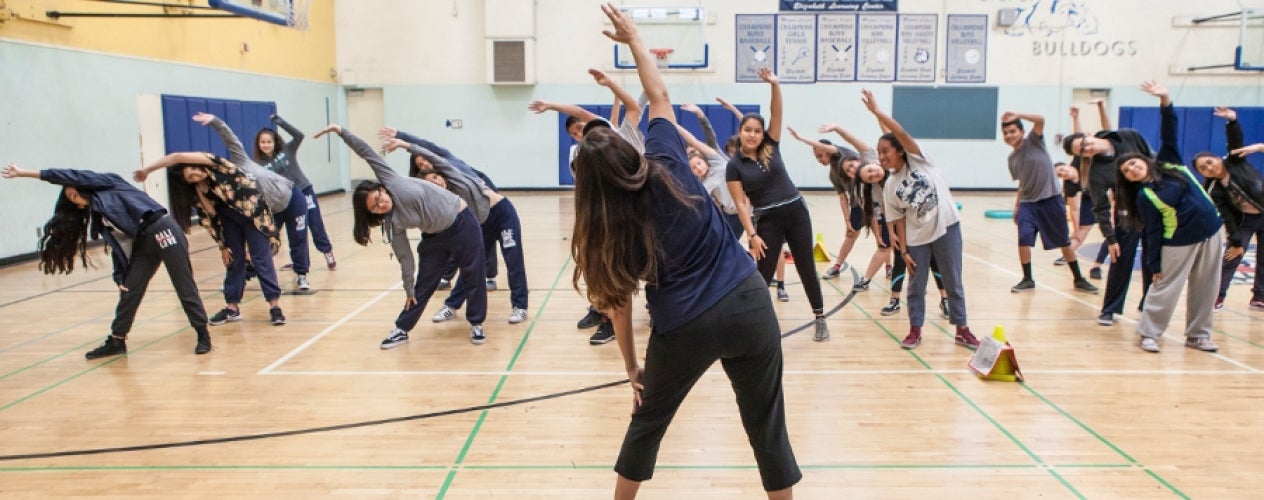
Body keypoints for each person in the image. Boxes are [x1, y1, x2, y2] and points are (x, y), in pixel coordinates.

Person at [577, 6, 800, 497]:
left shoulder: (610, 229)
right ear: (627, 150)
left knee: (647, 424)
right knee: (767, 428)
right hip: (748, 303)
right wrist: (634, 39)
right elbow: (658, 94)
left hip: (683, 328)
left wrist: (632, 367)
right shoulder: (665, 159)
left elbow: (619, 306)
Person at [2, 163, 212, 358]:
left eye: (75, 191)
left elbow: (72, 175)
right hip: (143, 241)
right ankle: (117, 341)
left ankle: (202, 333)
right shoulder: (100, 218)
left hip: (162, 228)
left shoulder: (110, 183)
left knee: (183, 283)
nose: (75, 197)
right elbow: (119, 247)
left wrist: (27, 173)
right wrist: (120, 276)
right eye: (72, 197)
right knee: (129, 289)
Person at [314, 124, 488, 347]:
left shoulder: (391, 180)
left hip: (462, 222)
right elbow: (405, 257)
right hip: (435, 237)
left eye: (379, 197)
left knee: (473, 274)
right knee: (421, 286)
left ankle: (476, 324)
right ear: (373, 215)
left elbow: (366, 152)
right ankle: (402, 329)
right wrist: (408, 288)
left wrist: (341, 131)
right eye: (375, 207)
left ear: (381, 189)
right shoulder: (392, 225)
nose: (381, 203)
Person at [862, 89, 979, 350]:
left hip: (947, 227)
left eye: (885, 151)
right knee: (916, 285)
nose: (881, 157)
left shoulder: (920, 160)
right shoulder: (890, 185)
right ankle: (915, 330)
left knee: (953, 280)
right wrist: (903, 251)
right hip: (917, 239)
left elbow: (901, 133)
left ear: (900, 151)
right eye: (878, 153)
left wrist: (877, 112)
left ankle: (962, 329)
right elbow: (898, 221)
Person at [1116, 81, 1223, 353]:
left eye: (1133, 163)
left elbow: (1170, 130)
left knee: (1206, 287)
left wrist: (1165, 99)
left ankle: (1198, 335)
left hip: (1212, 232)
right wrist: (1153, 265)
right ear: (1128, 179)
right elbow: (1151, 232)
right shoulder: (1145, 196)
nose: (1132, 168)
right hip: (1178, 242)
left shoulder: (1170, 164)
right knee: (1166, 288)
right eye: (1127, 171)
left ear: (1144, 160)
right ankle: (1149, 334)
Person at [382, 130, 530, 325]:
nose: (425, 164)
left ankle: (520, 306)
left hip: (501, 214)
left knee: (513, 258)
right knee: (470, 266)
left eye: (425, 161)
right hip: (480, 225)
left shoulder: (453, 168)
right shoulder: (437, 195)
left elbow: (430, 147)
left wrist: (402, 139)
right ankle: (451, 305)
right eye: (420, 166)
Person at [726, 68, 830, 342]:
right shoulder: (734, 166)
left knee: (807, 266)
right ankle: (758, 325)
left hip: (796, 212)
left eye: (757, 131)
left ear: (762, 134)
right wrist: (752, 234)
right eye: (747, 130)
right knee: (763, 274)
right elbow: (740, 203)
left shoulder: (772, 145)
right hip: (768, 220)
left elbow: (776, 113)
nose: (752, 135)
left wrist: (774, 85)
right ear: (740, 132)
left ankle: (820, 318)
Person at [133, 150, 287, 326]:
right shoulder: (199, 190)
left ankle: (275, 307)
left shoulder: (218, 165)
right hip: (230, 221)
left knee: (261, 259)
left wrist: (148, 170)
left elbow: (178, 157)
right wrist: (222, 246)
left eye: (194, 169)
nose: (196, 174)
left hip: (254, 217)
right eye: (191, 177)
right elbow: (211, 218)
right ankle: (232, 308)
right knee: (234, 261)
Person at [199, 113, 313, 292]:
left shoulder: (241, 161)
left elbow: (231, 139)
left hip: (293, 199)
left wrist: (215, 122)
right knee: (263, 245)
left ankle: (302, 274)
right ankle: (244, 275)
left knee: (298, 237)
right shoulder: (225, 183)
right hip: (269, 210)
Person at [1063, 104, 1155, 326]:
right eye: (1082, 151)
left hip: (1155, 208)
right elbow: (1101, 208)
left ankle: (1148, 304)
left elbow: (1155, 163)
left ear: (1088, 135)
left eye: (1085, 143)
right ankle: (1110, 309)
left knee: (1153, 259)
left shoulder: (1129, 137)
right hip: (1128, 213)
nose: (1088, 148)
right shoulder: (1096, 172)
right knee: (1120, 258)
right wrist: (1111, 238)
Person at [1001, 111, 1099, 294]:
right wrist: (1017, 206)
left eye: (1013, 131)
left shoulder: (1034, 142)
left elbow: (1040, 119)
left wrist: (1017, 114)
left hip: (1050, 201)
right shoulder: (1011, 159)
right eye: (1006, 133)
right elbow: (1022, 184)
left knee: (1063, 241)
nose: (1009, 136)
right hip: (1028, 204)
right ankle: (1027, 278)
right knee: (1023, 239)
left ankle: (1078, 278)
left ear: (1022, 132)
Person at [1195, 107, 1264, 311]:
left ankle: (1259, 296)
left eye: (1209, 162)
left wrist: (1232, 121)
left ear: (1217, 158)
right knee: (1232, 257)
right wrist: (1235, 241)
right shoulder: (1215, 190)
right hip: (1245, 220)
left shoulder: (1234, 161)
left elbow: (1235, 142)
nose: (1209, 167)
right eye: (1203, 168)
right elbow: (1227, 218)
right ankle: (1217, 295)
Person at [254, 113, 337, 271]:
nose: (266, 145)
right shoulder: (258, 164)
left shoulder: (287, 150)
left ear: (274, 142)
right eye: (262, 142)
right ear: (258, 144)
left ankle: (327, 251)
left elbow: (299, 135)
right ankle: (300, 263)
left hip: (304, 191)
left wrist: (280, 121)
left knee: (314, 222)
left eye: (268, 142)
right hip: (286, 201)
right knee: (296, 231)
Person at [786, 125, 864, 281]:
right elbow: (843, 197)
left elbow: (824, 146)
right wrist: (847, 220)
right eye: (817, 157)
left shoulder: (844, 154)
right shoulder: (833, 174)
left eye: (821, 155)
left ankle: (889, 267)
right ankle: (837, 267)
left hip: (873, 200)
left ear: (829, 151)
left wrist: (801, 138)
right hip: (858, 205)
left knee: (883, 236)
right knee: (851, 234)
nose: (820, 160)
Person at [1054, 162, 1108, 280]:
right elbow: (1074, 210)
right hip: (1091, 198)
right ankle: (1068, 254)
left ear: (1068, 165)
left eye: (1062, 169)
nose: (1064, 173)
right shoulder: (1070, 186)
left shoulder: (1080, 161)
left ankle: (1097, 265)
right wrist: (1076, 229)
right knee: (1080, 234)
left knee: (1112, 232)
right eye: (1060, 175)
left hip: (1107, 191)